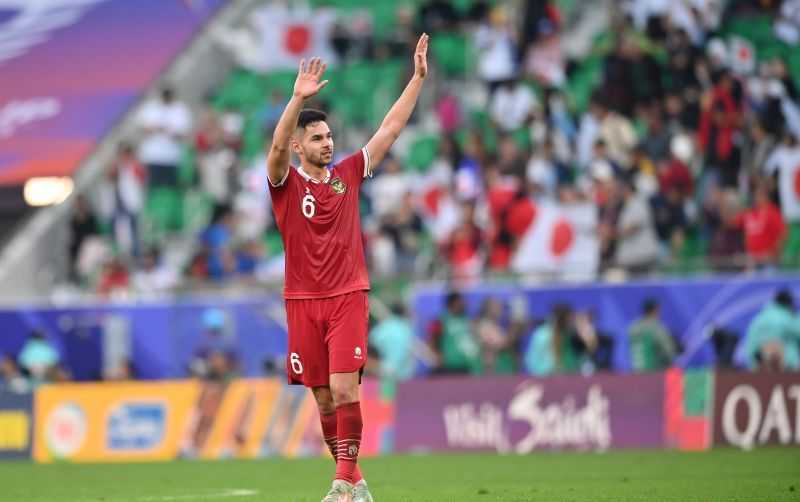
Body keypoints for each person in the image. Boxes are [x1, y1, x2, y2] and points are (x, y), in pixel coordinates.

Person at [265, 34, 429, 502]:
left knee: (343, 391)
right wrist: (297, 99)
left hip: (347, 296)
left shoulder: (350, 175)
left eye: (329, 136)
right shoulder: (284, 184)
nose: (328, 143)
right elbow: (275, 149)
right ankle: (356, 484)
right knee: (321, 399)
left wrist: (416, 80)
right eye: (317, 138)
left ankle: (340, 485)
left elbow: (391, 128)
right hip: (301, 301)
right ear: (300, 146)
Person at [743, 289, 800, 372]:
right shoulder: (789, 319)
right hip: (787, 368)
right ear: (789, 303)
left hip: (755, 365)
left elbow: (751, 344)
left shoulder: (759, 318)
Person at [628, 299, 677, 372]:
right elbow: (669, 351)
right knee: (674, 369)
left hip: (635, 371)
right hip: (653, 371)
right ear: (655, 310)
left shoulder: (633, 327)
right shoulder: (656, 327)